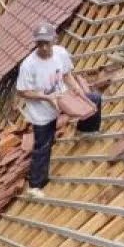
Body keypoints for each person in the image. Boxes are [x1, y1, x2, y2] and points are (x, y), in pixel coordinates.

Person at [16, 23, 83, 198]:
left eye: (47, 43)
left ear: (54, 39)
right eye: (40, 44)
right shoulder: (28, 65)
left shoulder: (61, 53)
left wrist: (76, 88)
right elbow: (22, 91)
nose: (44, 47)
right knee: (43, 146)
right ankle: (35, 185)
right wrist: (46, 97)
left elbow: (67, 74)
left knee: (93, 101)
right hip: (42, 113)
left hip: (62, 100)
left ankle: (87, 130)